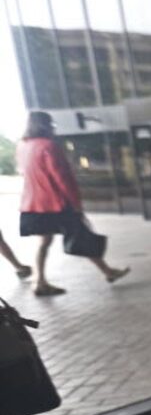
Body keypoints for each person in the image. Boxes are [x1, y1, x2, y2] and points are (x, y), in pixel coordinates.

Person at [17, 111, 128, 296]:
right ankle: (108, 272)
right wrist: (76, 203)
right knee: (82, 235)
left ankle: (39, 281)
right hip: (56, 202)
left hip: (33, 203)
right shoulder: (49, 146)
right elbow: (62, 178)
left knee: (44, 241)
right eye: (51, 124)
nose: (53, 127)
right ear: (45, 125)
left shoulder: (23, 146)